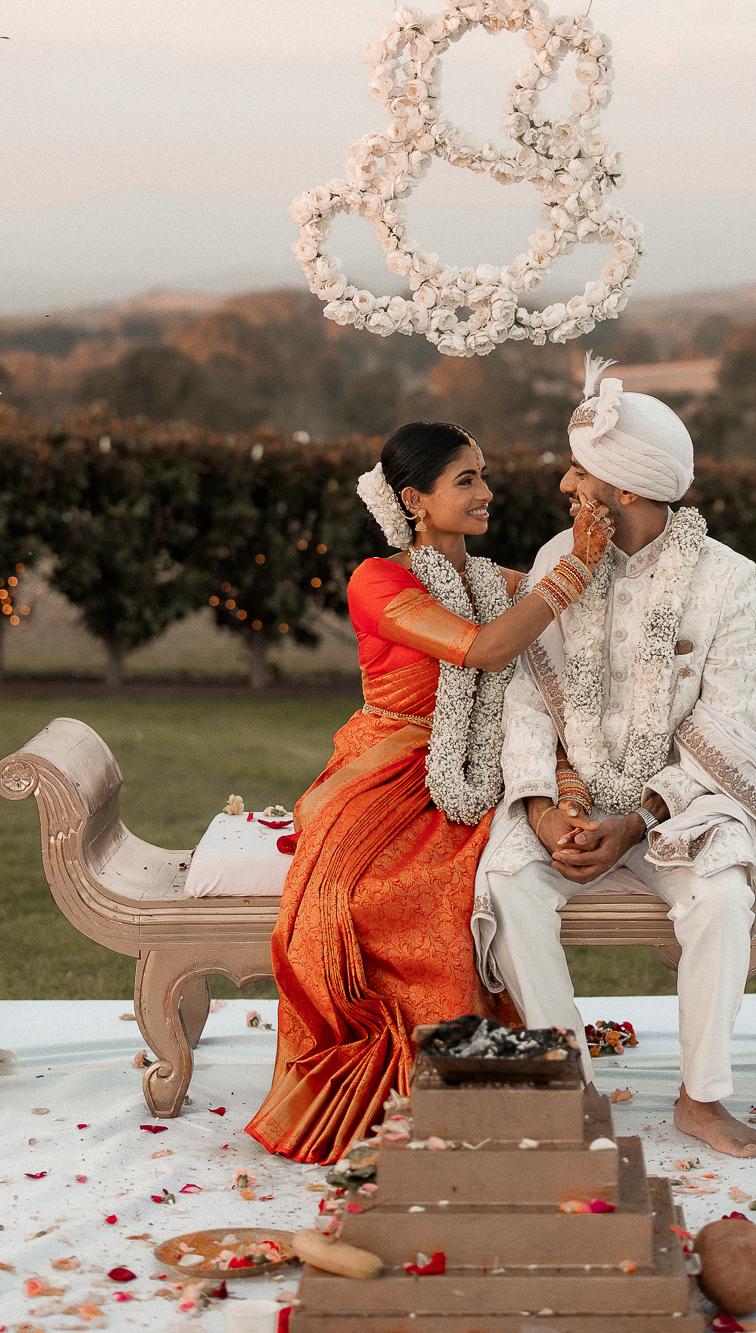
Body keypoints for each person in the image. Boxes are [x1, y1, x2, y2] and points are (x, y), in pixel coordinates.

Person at [246, 420, 611, 1164]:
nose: (485, 493)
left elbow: (554, 629)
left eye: (484, 476)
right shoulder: (377, 580)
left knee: (472, 884)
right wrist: (574, 569)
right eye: (465, 480)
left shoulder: (495, 582)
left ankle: (474, 1070)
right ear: (414, 499)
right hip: (384, 768)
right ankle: (409, 1070)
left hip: (483, 764)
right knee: (368, 895)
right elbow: (485, 648)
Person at [473, 359, 756, 1160]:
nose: (566, 485)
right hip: (569, 795)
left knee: (720, 894)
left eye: (581, 475)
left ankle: (701, 1099)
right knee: (507, 886)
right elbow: (524, 699)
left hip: (678, 802)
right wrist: (543, 809)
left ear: (627, 491)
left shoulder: (728, 582)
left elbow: (729, 726)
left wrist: (637, 821)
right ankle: (567, 1090)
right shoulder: (558, 559)